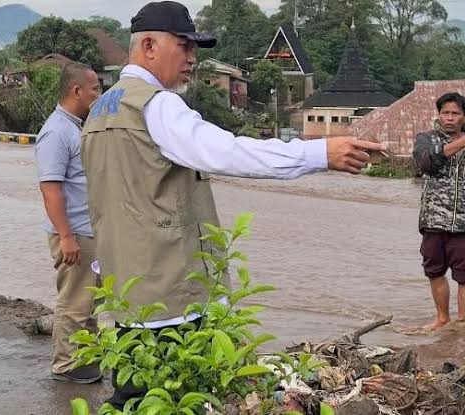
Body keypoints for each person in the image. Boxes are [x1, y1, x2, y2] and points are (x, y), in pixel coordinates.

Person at [81, 1, 386, 407]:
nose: (193, 59)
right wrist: (317, 154)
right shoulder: (157, 105)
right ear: (149, 46)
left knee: (135, 394)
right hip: (170, 295)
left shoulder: (100, 111)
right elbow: (229, 152)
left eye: (195, 48)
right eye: (184, 46)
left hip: (127, 291)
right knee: (176, 398)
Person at [35, 63, 104, 383]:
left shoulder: (75, 127)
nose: (98, 94)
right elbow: (51, 189)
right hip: (74, 231)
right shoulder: (56, 132)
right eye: (95, 89)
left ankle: (86, 360)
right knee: (74, 302)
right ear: (77, 91)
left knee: (88, 301)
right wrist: (66, 236)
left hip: (86, 230)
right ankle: (66, 365)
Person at [412, 92, 465, 331]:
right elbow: (426, 164)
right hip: (434, 218)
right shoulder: (426, 139)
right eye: (445, 113)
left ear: (464, 116)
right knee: (434, 271)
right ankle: (442, 318)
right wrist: (463, 142)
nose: (449, 118)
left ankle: (462, 323)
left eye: (455, 113)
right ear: (438, 115)